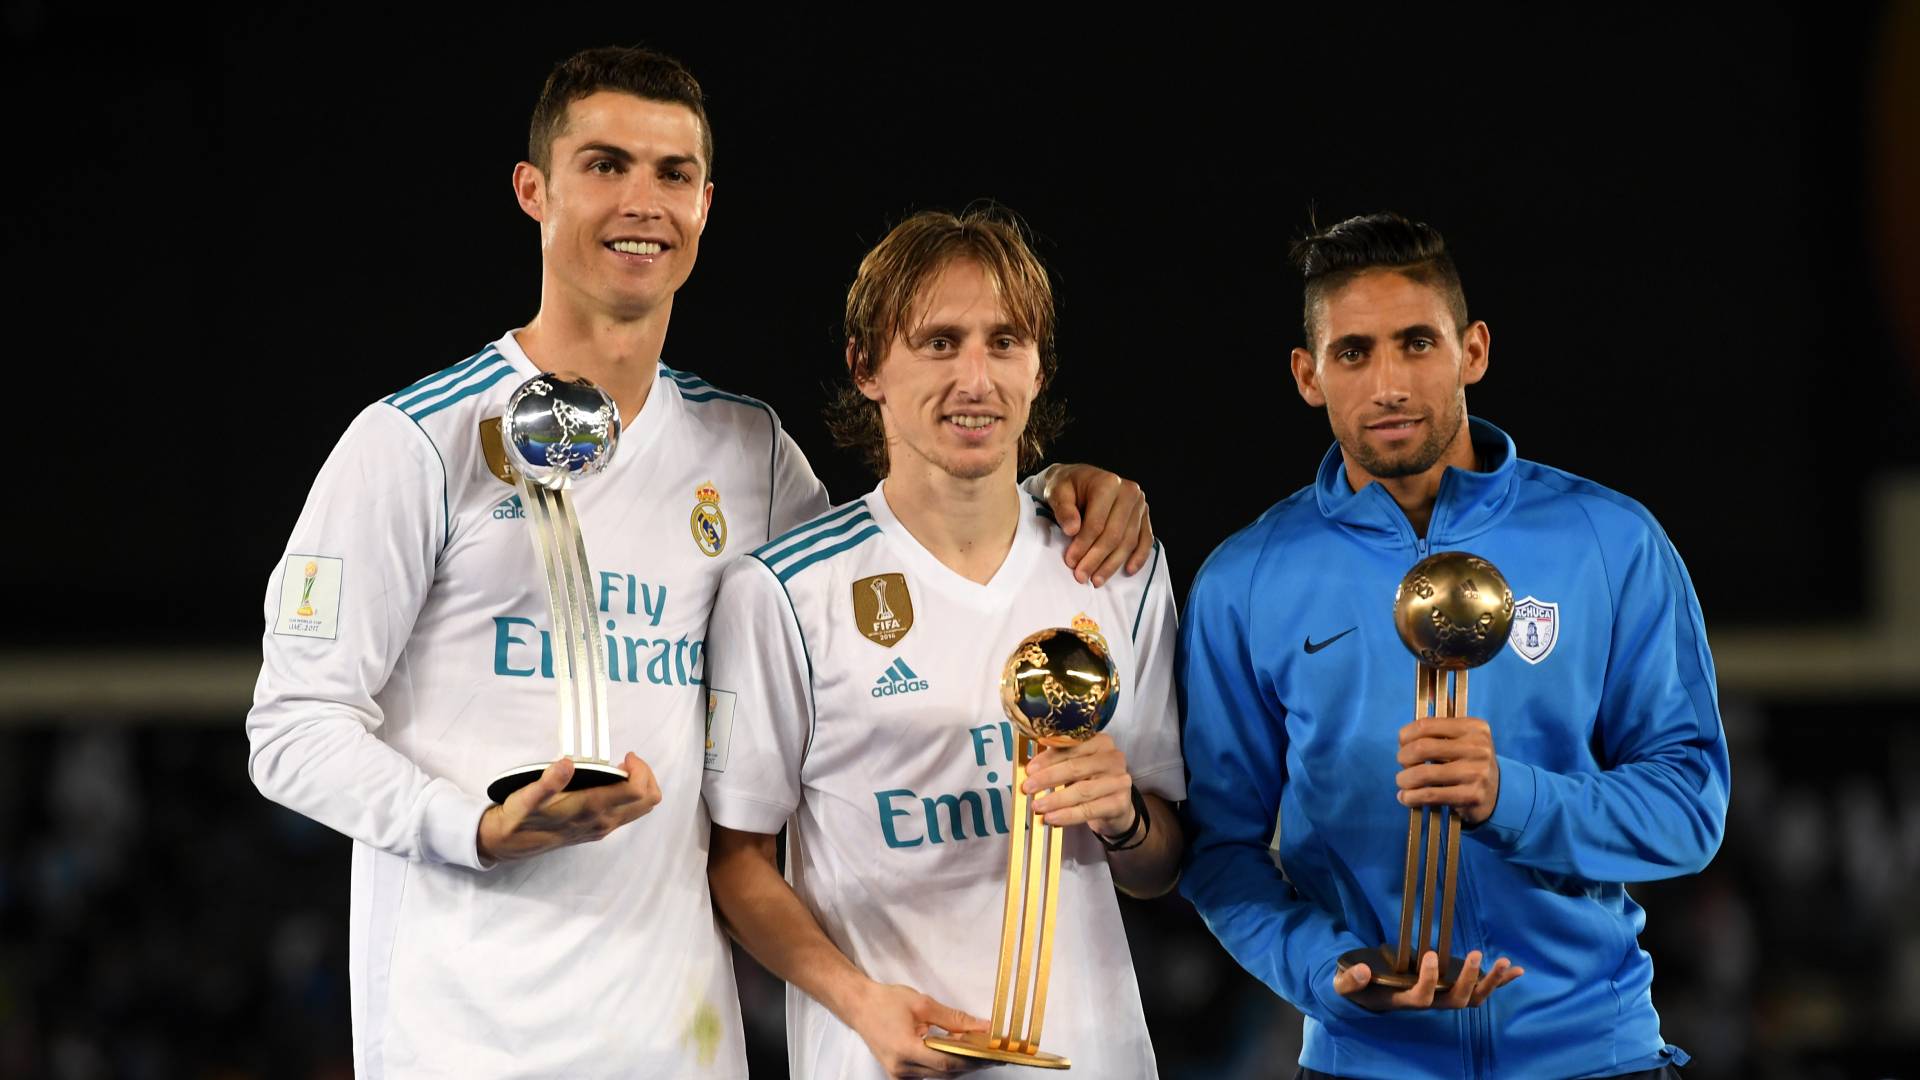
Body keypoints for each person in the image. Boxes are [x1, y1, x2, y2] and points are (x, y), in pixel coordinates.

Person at [245, 48, 1152, 1079]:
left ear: (706, 204)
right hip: (463, 1040)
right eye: (606, 164)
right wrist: (476, 828)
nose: (644, 201)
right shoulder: (413, 443)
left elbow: (896, 567)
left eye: (673, 174)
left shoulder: (747, 452)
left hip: (684, 1044)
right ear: (533, 188)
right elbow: (292, 729)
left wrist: (1055, 488)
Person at [1178, 212, 1730, 1080]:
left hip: (1596, 1056)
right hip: (1366, 1060)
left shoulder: (1609, 540)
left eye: (1417, 343)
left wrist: (1513, 796)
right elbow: (1218, 851)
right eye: (1354, 353)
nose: (1390, 383)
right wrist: (1326, 972)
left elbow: (1690, 807)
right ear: (1307, 376)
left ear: (1472, 350)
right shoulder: (1244, 581)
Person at [701, 207, 1186, 1079]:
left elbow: (1157, 867)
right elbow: (737, 865)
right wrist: (859, 1004)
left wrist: (1124, 819)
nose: (976, 377)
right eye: (939, 341)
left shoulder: (1116, 568)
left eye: (1005, 342)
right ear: (866, 367)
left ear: (1038, 369)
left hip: (1097, 1058)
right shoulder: (782, 591)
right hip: (884, 1060)